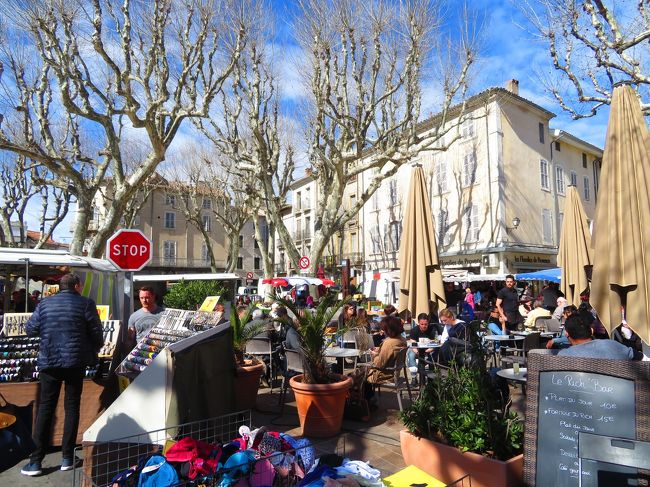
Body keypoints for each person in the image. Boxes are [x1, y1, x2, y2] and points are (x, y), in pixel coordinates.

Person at [21, 273, 103, 476]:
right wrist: (94, 347)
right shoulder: (85, 303)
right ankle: (67, 457)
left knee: (45, 408)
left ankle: (36, 461)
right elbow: (96, 332)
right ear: (77, 286)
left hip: (49, 361)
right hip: (75, 362)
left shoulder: (44, 304)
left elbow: (30, 330)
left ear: (60, 286)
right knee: (72, 406)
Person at [558, 315, 634, 360]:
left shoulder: (563, 356)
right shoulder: (613, 345)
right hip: (618, 386)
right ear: (591, 331)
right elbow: (640, 357)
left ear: (567, 334)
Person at [406, 313, 438, 384]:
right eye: (422, 324)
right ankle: (414, 377)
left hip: (429, 349)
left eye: (426, 324)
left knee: (433, 356)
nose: (424, 326)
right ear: (418, 323)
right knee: (411, 355)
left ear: (428, 323)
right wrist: (416, 351)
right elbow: (413, 342)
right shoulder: (414, 330)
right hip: (417, 348)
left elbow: (436, 342)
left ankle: (431, 378)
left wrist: (431, 348)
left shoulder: (432, 329)